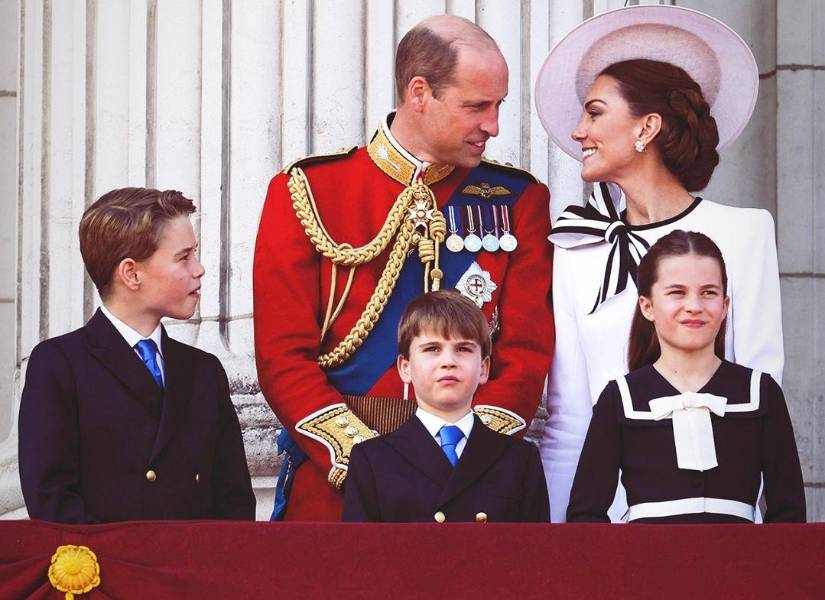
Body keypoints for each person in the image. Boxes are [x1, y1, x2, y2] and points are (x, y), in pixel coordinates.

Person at [254, 15, 554, 520]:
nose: (494, 126)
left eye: (499, 105)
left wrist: (464, 457)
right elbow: (282, 358)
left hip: (471, 484)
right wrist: (370, 463)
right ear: (419, 93)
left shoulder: (517, 199)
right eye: (477, 106)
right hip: (339, 484)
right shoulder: (308, 191)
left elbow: (524, 355)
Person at [534, 5, 784, 521]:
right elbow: (569, 419)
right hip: (608, 529)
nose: (579, 131)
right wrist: (566, 540)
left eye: (595, 112)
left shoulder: (745, 233)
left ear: (647, 126)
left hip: (716, 524)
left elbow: (759, 403)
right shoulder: (576, 246)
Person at [18, 187, 256, 523]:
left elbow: (234, 503)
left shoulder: (204, 371)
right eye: (183, 257)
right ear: (131, 273)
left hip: (196, 569)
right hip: (108, 570)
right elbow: (52, 500)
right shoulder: (60, 364)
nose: (199, 269)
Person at [567, 231, 805, 523]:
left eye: (709, 292)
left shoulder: (760, 391)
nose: (694, 306)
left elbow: (789, 513)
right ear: (647, 306)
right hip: (646, 565)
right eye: (677, 292)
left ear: (725, 306)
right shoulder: (620, 397)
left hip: (741, 565)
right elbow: (585, 514)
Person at [343, 290, 549, 522]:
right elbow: (360, 555)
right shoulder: (372, 460)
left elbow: (536, 554)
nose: (448, 362)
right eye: (432, 349)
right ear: (405, 368)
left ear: (483, 368)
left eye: (463, 349)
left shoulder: (520, 460)